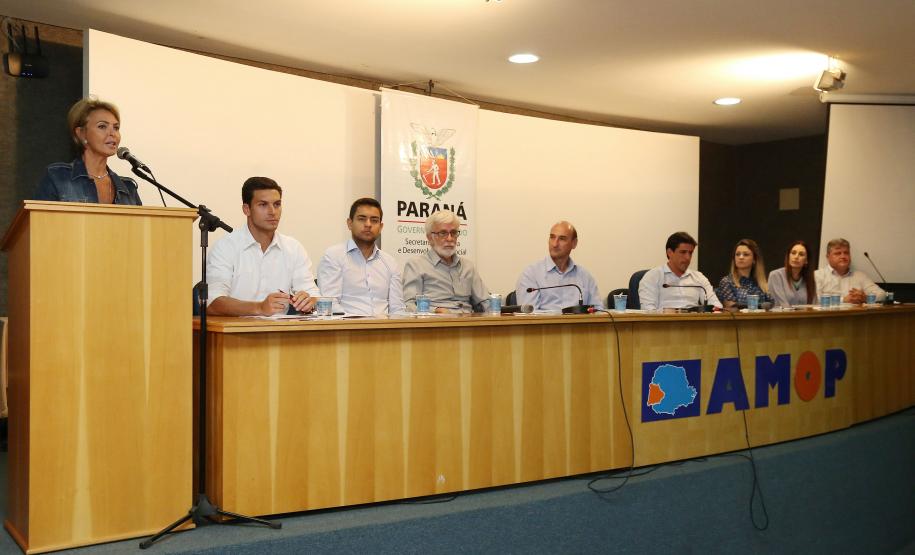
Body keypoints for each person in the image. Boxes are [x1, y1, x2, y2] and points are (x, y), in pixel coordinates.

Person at [206, 177, 319, 316]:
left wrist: (310, 301)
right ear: (246, 209)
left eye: (277, 204)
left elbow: (313, 294)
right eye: (263, 205)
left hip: (279, 328)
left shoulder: (293, 248)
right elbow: (212, 303)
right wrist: (259, 308)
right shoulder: (225, 247)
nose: (272, 211)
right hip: (236, 327)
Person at [33, 96, 142, 205]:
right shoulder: (58, 177)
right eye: (102, 126)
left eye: (116, 128)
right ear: (81, 134)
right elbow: (38, 216)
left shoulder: (129, 189)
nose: (112, 133)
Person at [317, 198, 405, 316]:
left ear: (381, 227)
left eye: (374, 220)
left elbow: (397, 308)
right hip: (347, 325)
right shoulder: (334, 256)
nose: (368, 224)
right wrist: (360, 323)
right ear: (349, 223)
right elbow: (330, 304)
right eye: (362, 219)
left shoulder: (390, 262)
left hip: (384, 325)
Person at [402, 210, 490, 313]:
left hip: (467, 320)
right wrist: (435, 311)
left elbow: (485, 301)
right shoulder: (416, 265)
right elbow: (409, 305)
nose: (449, 238)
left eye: (453, 233)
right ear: (430, 238)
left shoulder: (468, 266)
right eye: (443, 233)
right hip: (436, 321)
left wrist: (498, 312)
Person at [516, 221, 603, 311]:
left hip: (579, 321)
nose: (555, 244)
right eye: (552, 237)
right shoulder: (531, 274)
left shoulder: (585, 277)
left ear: (574, 243)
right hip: (546, 321)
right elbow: (529, 314)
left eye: (562, 239)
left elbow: (598, 311)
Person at [638, 231, 722, 311]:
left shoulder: (699, 277)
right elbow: (648, 311)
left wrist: (714, 309)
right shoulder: (652, 277)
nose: (688, 258)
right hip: (665, 320)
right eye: (683, 252)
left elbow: (716, 305)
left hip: (694, 320)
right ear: (670, 252)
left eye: (690, 253)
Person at [814, 238, 885, 304]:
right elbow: (814, 299)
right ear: (828, 257)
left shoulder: (860, 276)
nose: (843, 256)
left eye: (846, 253)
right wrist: (843, 300)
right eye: (838, 253)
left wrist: (866, 298)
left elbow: (882, 294)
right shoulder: (817, 275)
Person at [715, 239, 770, 308]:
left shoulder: (762, 284)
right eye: (737, 254)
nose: (741, 257)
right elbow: (732, 307)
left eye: (746, 254)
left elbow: (773, 305)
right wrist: (760, 306)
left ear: (754, 259)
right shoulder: (727, 282)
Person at [768, 240, 817, 307]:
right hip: (783, 313)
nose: (796, 257)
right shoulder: (776, 276)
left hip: (805, 314)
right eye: (793, 253)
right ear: (788, 256)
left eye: (801, 254)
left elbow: (813, 306)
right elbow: (782, 306)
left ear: (806, 260)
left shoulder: (809, 279)